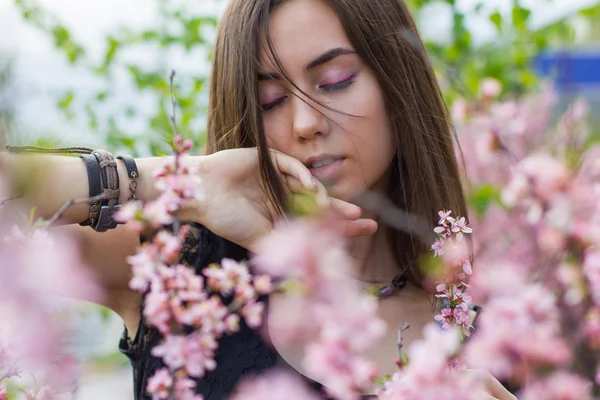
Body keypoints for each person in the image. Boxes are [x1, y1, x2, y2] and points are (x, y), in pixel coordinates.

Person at [0, 0, 517, 398]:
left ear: (396, 84)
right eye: (270, 100)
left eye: (334, 82)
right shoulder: (178, 265)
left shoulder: (488, 326)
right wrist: (181, 181)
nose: (306, 124)